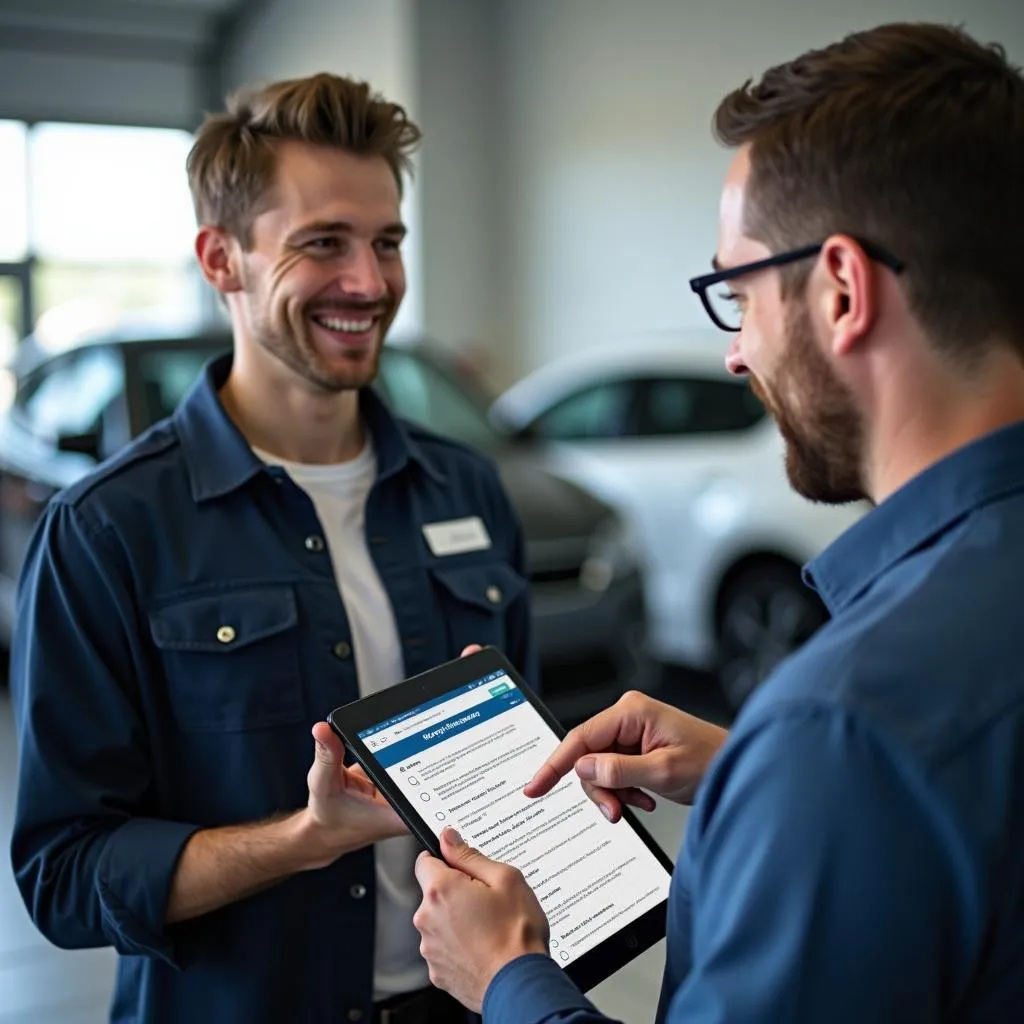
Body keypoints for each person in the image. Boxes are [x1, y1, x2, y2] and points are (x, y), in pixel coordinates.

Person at [410, 21, 1024, 1023]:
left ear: (839, 290)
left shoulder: (839, 732)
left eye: (736, 296)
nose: (735, 354)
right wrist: (755, 771)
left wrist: (509, 977)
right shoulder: (837, 741)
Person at [9, 72, 537, 1024]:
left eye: (386, 243)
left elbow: (517, 783)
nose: (369, 284)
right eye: (322, 244)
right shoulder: (108, 530)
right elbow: (66, 873)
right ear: (223, 260)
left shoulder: (468, 491)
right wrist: (304, 836)